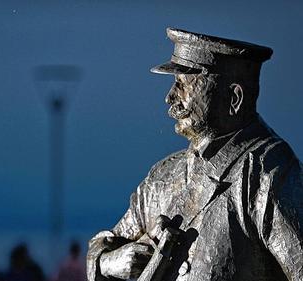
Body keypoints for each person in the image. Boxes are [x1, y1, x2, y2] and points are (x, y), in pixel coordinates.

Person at [87, 28, 303, 281]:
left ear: (234, 98)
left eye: (183, 85)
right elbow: (103, 245)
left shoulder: (268, 174)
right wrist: (110, 262)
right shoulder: (162, 178)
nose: (169, 98)